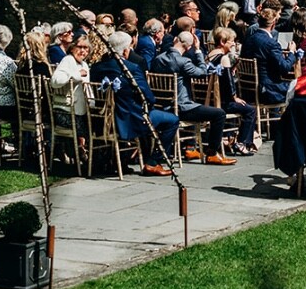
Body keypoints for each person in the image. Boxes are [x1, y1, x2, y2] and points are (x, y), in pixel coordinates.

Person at [90, 30, 179, 176]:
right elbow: (148, 97)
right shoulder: (131, 68)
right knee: (172, 120)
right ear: (126, 50)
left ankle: (120, 160)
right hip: (130, 119)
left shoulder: (96, 67)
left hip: (102, 119)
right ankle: (153, 162)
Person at [151, 31, 236, 165]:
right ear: (188, 47)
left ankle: (193, 147)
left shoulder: (158, 59)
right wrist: (198, 51)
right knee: (219, 114)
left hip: (162, 106)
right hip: (181, 107)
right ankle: (212, 153)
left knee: (201, 107)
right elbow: (203, 72)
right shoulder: (183, 62)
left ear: (175, 40)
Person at [208, 26, 257, 155]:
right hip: (223, 102)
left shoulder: (209, 55)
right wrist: (234, 97)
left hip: (210, 100)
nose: (234, 44)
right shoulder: (223, 58)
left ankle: (230, 138)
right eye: (231, 41)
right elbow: (229, 84)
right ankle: (242, 143)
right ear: (222, 42)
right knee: (250, 110)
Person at [240, 5, 296, 103]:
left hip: (247, 88)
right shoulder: (271, 44)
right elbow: (284, 68)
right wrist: (291, 52)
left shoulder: (248, 39)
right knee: (299, 88)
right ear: (273, 24)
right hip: (268, 90)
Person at [50, 33, 93, 159]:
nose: (83, 51)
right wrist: (76, 75)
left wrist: (92, 103)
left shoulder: (84, 64)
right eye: (80, 47)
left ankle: (84, 156)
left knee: (96, 124)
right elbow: (55, 81)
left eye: (86, 48)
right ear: (72, 47)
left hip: (78, 112)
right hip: (64, 111)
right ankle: (83, 158)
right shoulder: (68, 60)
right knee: (90, 129)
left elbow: (87, 88)